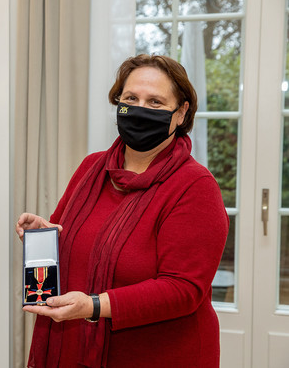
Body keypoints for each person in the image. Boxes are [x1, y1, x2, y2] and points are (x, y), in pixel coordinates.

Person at [16, 54, 228, 368]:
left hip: (157, 355)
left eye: (155, 102)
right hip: (73, 348)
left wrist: (94, 305)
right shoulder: (92, 167)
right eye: (131, 98)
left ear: (181, 113)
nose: (140, 109)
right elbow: (70, 244)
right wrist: (42, 235)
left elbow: (183, 289)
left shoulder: (195, 186)